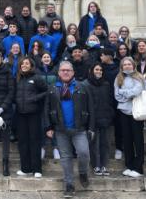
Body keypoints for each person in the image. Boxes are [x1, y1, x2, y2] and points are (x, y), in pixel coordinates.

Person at [45, 61, 95, 197]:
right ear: (59, 72)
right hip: (60, 129)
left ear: (73, 72)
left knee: (84, 153)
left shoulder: (82, 87)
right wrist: (48, 126)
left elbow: (90, 107)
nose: (65, 72)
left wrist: (91, 127)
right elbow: (47, 108)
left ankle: (83, 172)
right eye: (63, 70)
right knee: (66, 157)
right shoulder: (53, 88)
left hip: (79, 129)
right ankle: (69, 185)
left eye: (68, 70)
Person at [15, 58, 47, 178]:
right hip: (20, 114)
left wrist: (35, 98)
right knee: (23, 142)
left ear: (31, 65)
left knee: (34, 141)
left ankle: (37, 169)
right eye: (22, 63)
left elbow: (46, 91)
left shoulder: (37, 78)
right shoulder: (17, 79)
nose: (24, 65)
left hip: (34, 113)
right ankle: (25, 168)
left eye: (27, 63)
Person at [114, 57, 145, 178]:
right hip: (123, 111)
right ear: (122, 67)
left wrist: (124, 92)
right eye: (124, 64)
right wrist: (128, 94)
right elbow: (117, 94)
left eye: (129, 64)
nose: (127, 66)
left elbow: (137, 92)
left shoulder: (138, 77)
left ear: (133, 65)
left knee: (138, 140)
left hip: (136, 112)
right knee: (126, 140)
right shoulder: (118, 78)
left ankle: (139, 168)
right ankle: (129, 165)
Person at [85, 63, 114, 176]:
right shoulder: (87, 84)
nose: (99, 72)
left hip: (106, 118)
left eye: (101, 70)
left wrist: (110, 113)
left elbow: (110, 100)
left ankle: (104, 165)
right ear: (92, 71)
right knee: (94, 144)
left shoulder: (106, 84)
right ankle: (96, 165)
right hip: (92, 119)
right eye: (96, 69)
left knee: (105, 144)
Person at [36, 52, 60, 160]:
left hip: (54, 99)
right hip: (41, 99)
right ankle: (42, 148)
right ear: (41, 59)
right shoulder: (37, 70)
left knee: (54, 122)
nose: (46, 58)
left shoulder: (55, 70)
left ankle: (56, 148)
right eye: (44, 57)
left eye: (48, 57)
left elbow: (59, 84)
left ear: (51, 59)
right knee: (41, 124)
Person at [99, 48, 122, 160]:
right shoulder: (99, 68)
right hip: (104, 101)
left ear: (109, 56)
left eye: (102, 55)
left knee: (119, 126)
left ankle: (119, 148)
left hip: (117, 101)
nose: (101, 57)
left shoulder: (118, 69)